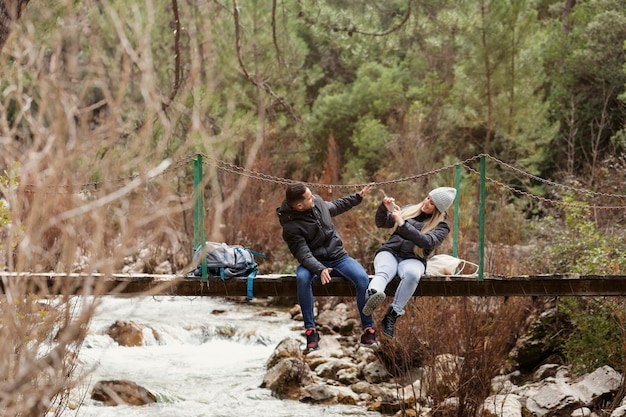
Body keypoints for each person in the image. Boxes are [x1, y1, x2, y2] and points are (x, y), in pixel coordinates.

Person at [276, 182, 377, 351]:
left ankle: (368, 330)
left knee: (362, 278)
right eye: (310, 197)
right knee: (301, 278)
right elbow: (303, 254)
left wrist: (357, 197)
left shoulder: (317, 202)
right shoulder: (290, 227)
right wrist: (319, 269)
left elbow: (335, 206)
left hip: (338, 257)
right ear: (300, 206)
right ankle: (311, 332)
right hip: (313, 262)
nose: (314, 197)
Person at [362, 186, 457, 339]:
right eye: (427, 198)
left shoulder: (442, 226)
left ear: (438, 209)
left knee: (413, 275)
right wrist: (383, 208)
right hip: (390, 252)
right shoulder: (409, 209)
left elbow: (427, 241)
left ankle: (392, 315)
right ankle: (373, 294)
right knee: (385, 271)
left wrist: (402, 224)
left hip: (413, 258)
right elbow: (381, 223)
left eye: (432, 203)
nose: (426, 203)